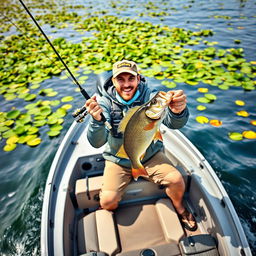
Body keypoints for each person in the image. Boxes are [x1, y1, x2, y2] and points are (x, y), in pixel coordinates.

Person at [85, 60, 197, 231]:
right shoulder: (105, 103)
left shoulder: (151, 96)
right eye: (120, 79)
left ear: (138, 79)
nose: (126, 84)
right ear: (113, 82)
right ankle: (116, 191)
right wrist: (97, 120)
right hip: (118, 159)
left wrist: (177, 111)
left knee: (176, 180)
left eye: (131, 78)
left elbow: (174, 123)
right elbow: (96, 142)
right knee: (107, 202)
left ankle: (180, 207)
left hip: (150, 155)